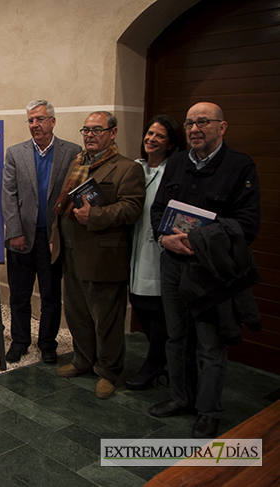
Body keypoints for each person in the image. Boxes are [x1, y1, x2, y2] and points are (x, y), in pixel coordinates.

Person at [149, 102, 261, 438]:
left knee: (211, 345)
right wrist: (163, 238)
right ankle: (181, 398)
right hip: (172, 265)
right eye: (190, 123)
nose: (195, 129)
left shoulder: (240, 166)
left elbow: (247, 225)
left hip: (212, 271)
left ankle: (208, 410)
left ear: (222, 127)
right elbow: (158, 210)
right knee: (177, 336)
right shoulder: (178, 162)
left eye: (203, 122)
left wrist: (197, 240)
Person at [50, 111, 144, 399]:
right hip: (70, 252)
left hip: (103, 256)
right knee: (76, 312)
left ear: (112, 133)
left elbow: (132, 208)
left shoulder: (127, 168)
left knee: (106, 318)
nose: (89, 135)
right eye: (86, 130)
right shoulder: (77, 163)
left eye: (97, 130)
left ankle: (108, 371)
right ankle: (82, 359)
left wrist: (97, 215)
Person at [2, 100, 81, 364]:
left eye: (40, 119)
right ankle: (20, 341)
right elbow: (8, 195)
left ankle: (48, 343)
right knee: (19, 295)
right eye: (31, 120)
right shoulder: (15, 153)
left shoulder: (72, 152)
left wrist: (57, 238)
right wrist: (14, 231)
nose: (35, 125)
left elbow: (73, 195)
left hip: (52, 241)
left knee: (51, 296)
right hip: (21, 238)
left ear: (52, 122)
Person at [126, 114, 186, 390]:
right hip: (132, 244)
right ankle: (163, 360)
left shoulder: (174, 170)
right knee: (138, 299)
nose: (151, 139)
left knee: (158, 307)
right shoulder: (135, 167)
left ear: (172, 143)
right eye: (149, 133)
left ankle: (154, 363)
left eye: (159, 136)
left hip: (158, 247)